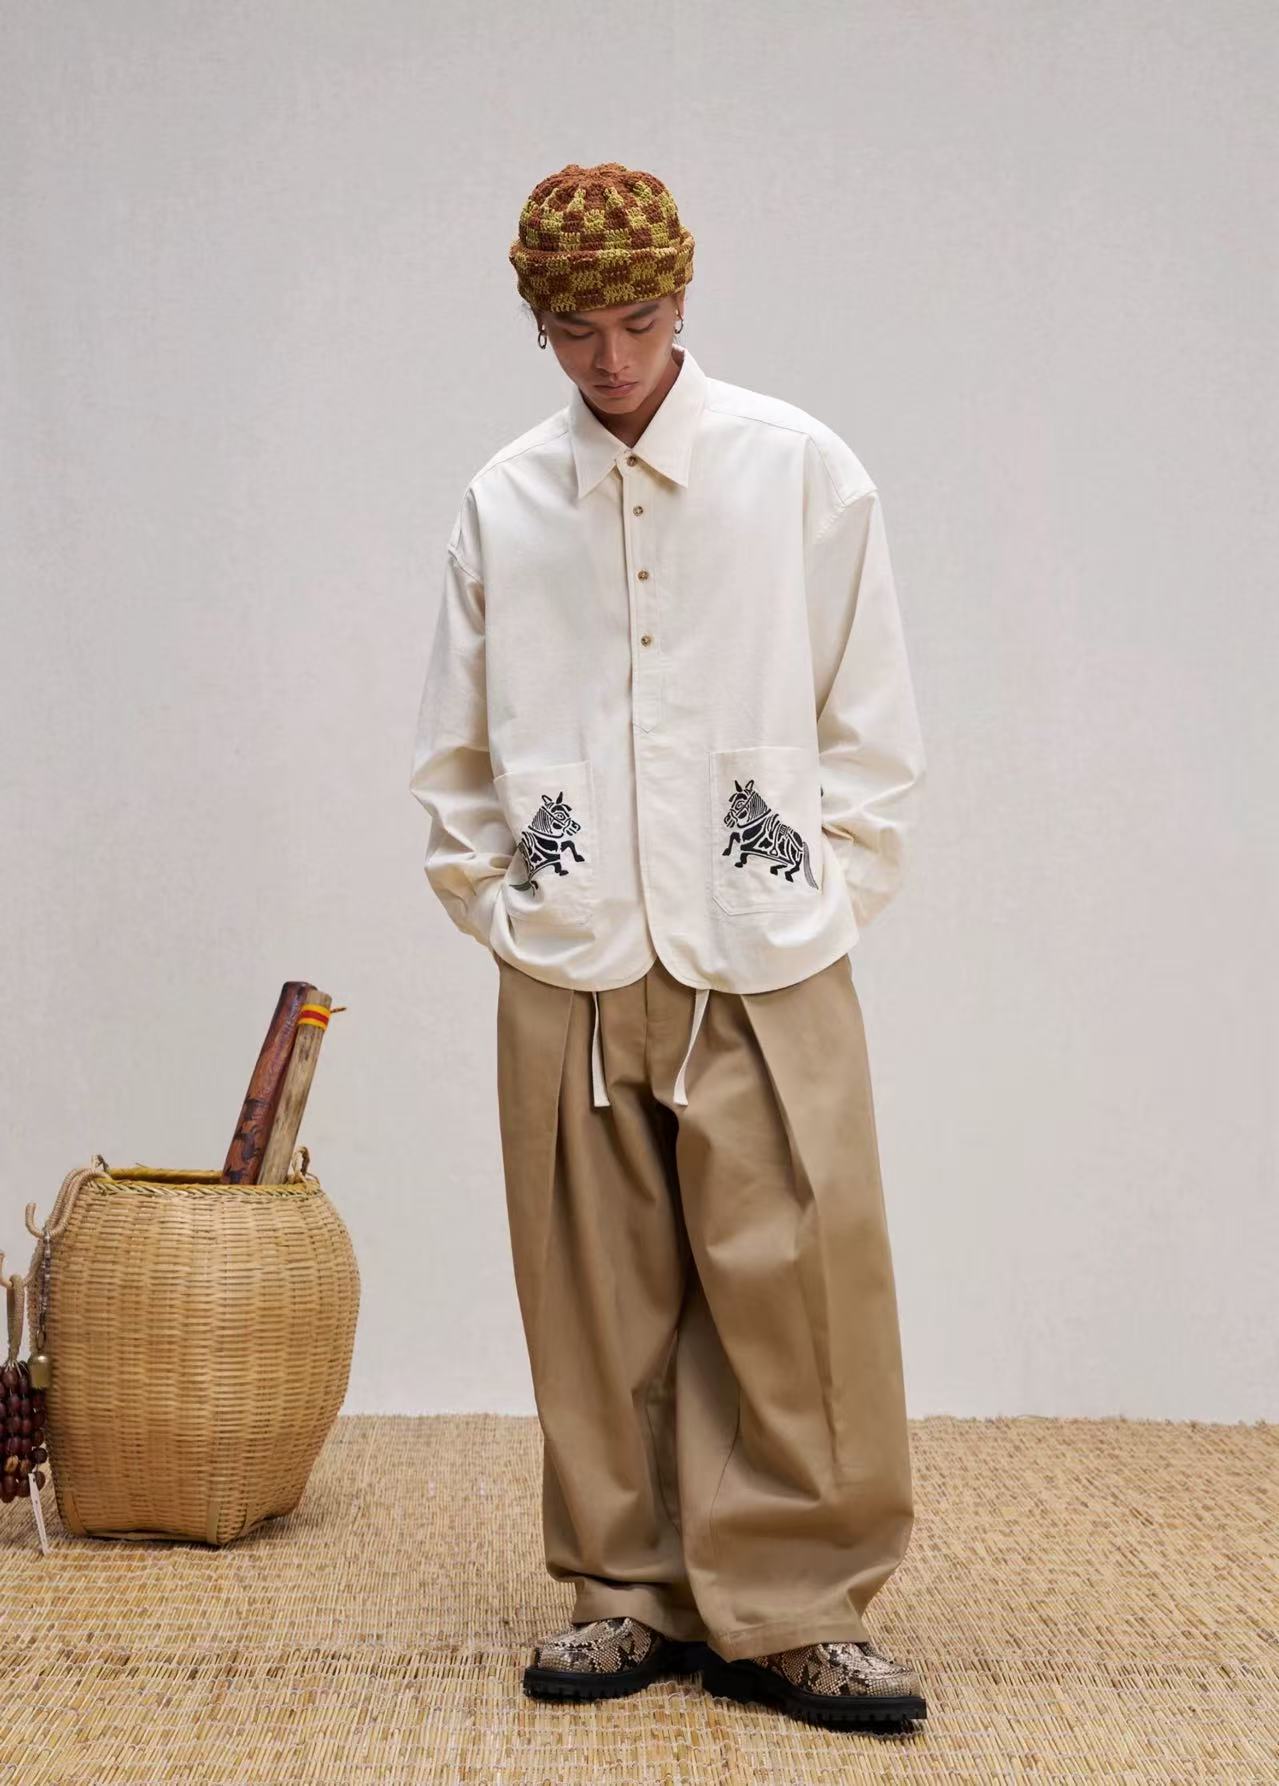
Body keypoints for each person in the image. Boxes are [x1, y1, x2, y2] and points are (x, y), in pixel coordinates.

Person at [409, 161, 929, 1734]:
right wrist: (511, 905)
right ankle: (622, 1588)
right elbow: (455, 753)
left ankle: (799, 1604)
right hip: (571, 960)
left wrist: (819, 891)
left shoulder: (798, 470)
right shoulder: (506, 502)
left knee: (800, 1279)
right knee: (594, 1290)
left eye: (636, 321)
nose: (612, 359)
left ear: (682, 298)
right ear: (539, 327)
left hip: (762, 949)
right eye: (576, 331)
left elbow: (871, 720)